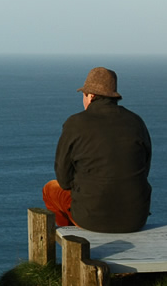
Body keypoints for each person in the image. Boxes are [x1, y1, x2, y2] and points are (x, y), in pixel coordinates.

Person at [42, 67, 152, 233]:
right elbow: (144, 170)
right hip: (135, 218)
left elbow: (63, 180)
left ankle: (73, 241)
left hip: (91, 218)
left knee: (50, 189)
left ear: (91, 96)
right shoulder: (136, 122)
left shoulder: (75, 123)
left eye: (84, 95)